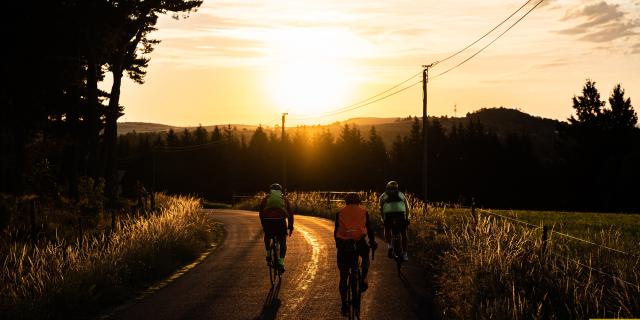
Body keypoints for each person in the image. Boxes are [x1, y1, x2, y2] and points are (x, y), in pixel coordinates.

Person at [334, 192, 377, 315]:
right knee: (365, 255)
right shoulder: (364, 212)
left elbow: (336, 231)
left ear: (346, 202)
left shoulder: (340, 213)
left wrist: (339, 245)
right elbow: (369, 229)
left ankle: (344, 306)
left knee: (343, 276)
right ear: (359, 202)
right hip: (359, 243)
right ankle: (363, 278)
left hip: (344, 245)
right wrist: (373, 242)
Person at [259, 183, 293, 273]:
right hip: (280, 222)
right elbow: (290, 214)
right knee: (282, 242)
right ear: (280, 191)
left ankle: (268, 253)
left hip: (268, 222)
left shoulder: (265, 199)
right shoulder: (284, 199)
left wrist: (264, 225)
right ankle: (281, 262)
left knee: (267, 236)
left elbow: (261, 213)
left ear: (270, 191)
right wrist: (290, 226)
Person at [379, 181, 410, 261]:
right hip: (400, 215)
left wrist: (382, 218)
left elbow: (381, 208)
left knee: (387, 228)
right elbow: (407, 207)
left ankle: (389, 246)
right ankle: (405, 254)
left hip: (389, 216)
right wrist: (407, 218)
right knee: (404, 233)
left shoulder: (383, 196)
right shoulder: (401, 194)